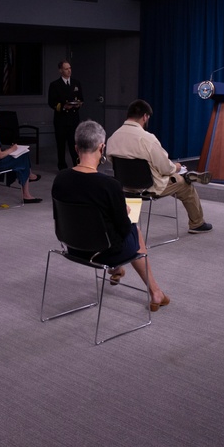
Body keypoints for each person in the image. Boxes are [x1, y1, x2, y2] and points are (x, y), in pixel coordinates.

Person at [52, 121, 170, 311]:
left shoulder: (60, 179)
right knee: (134, 229)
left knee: (110, 227)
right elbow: (124, 230)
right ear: (102, 147)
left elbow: (60, 218)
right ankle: (155, 291)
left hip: (73, 248)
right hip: (104, 251)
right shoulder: (110, 185)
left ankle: (116, 270)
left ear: (76, 148)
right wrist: (126, 213)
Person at [106, 100, 212, 234]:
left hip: (125, 186)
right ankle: (197, 223)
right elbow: (165, 168)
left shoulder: (113, 137)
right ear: (145, 117)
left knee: (143, 178)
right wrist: (176, 167)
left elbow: (112, 161)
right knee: (184, 184)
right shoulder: (147, 138)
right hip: (149, 187)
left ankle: (130, 226)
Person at [46, 60, 83, 170]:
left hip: (73, 118)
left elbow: (81, 98)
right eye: (66, 69)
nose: (69, 70)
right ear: (60, 70)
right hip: (61, 119)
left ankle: (77, 166)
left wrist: (77, 105)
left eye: (70, 68)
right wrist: (63, 107)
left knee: (74, 144)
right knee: (61, 145)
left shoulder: (76, 83)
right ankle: (62, 167)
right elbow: (51, 102)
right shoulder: (55, 85)